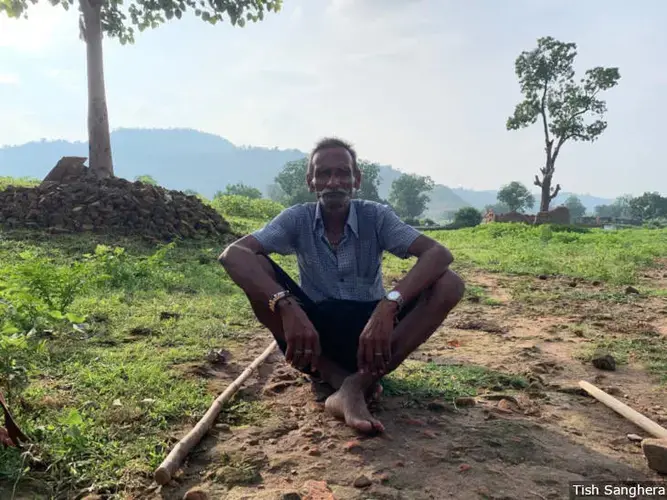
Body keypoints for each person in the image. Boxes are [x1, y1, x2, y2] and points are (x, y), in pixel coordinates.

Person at [218, 137, 465, 435]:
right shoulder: (297, 218)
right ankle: (336, 379)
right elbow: (233, 254)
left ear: (356, 180)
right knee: (254, 265)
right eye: (323, 173)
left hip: (371, 341)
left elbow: (439, 253)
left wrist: (390, 305)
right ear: (310, 181)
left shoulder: (376, 216)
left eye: (343, 173)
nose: (333, 181)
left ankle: (357, 383)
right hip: (314, 338)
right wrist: (285, 305)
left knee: (449, 283)